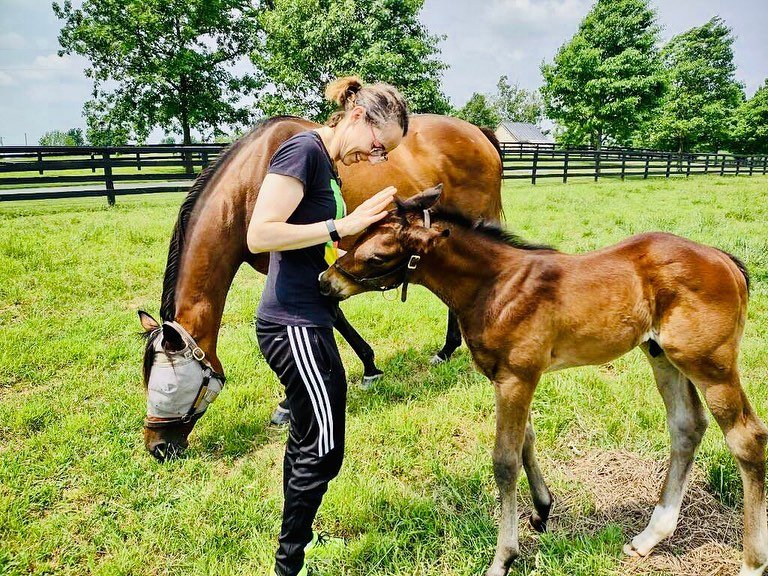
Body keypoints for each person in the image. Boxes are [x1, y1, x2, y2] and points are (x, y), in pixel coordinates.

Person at [246, 76, 409, 576]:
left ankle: (294, 547)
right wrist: (344, 224)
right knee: (324, 448)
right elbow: (260, 234)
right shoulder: (303, 152)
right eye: (379, 145)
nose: (376, 156)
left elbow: (312, 243)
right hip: (291, 323)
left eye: (385, 154)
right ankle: (288, 562)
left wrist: (374, 244)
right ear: (358, 115)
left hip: (308, 319)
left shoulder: (329, 167)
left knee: (310, 440)